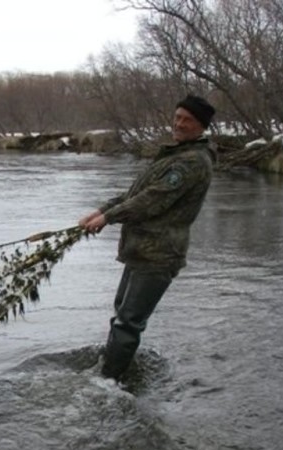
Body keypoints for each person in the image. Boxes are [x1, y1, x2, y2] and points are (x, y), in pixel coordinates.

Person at [78, 94, 218, 380]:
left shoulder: (192, 162)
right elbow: (135, 194)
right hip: (141, 249)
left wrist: (109, 218)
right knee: (121, 314)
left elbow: (152, 200)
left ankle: (109, 383)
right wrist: (100, 210)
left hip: (159, 254)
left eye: (187, 120)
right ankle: (114, 371)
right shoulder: (174, 154)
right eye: (177, 117)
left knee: (128, 322)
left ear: (201, 126)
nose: (179, 124)